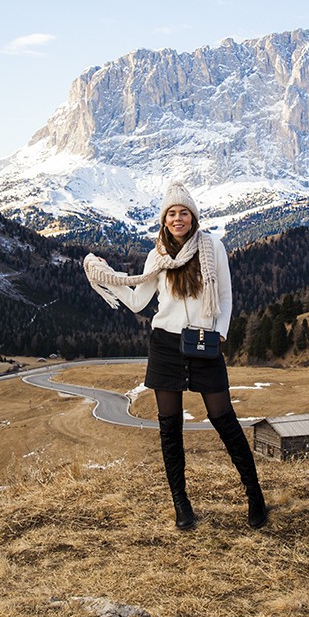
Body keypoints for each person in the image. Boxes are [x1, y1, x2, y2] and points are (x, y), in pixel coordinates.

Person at [83, 181, 268, 530]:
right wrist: (108, 279)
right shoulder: (158, 256)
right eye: (172, 213)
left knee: (224, 419)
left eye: (184, 212)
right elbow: (139, 301)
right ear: (164, 220)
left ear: (193, 216)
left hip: (204, 343)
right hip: (166, 345)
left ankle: (254, 495)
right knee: (170, 429)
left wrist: (221, 334)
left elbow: (225, 297)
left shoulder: (212, 247)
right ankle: (182, 506)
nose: (178, 218)